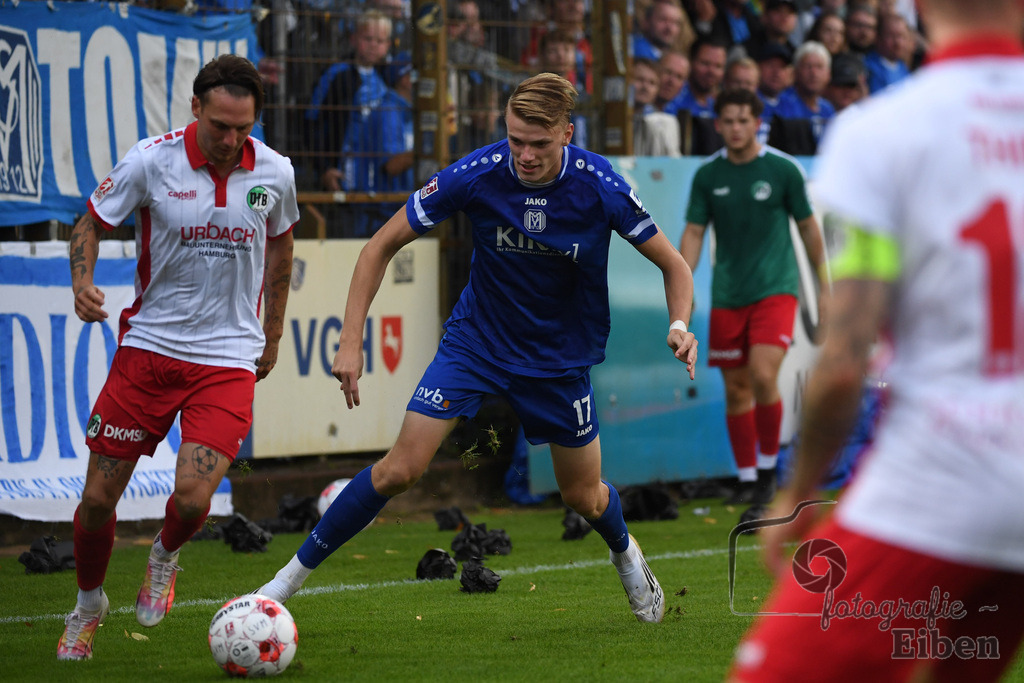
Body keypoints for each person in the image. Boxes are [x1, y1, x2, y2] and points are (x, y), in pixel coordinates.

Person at [255, 72, 699, 625]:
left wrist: (679, 323)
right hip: (477, 344)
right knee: (400, 470)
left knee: (583, 497)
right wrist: (351, 340)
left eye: (539, 143)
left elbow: (674, 265)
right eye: (515, 140)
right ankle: (278, 588)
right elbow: (379, 246)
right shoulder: (479, 172)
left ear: (567, 132)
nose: (525, 155)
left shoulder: (599, 184)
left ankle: (628, 555)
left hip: (559, 359)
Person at [730, 1, 1024, 680]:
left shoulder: (882, 131)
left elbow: (843, 361)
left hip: (945, 477)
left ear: (919, 8)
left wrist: (796, 493)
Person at [57, 54, 299, 661]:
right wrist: (82, 282)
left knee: (193, 499)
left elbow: (282, 252)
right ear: (195, 108)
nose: (230, 139)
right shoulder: (150, 160)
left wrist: (271, 337)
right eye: (220, 125)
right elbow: (89, 222)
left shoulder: (275, 171)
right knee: (94, 503)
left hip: (227, 359)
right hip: (149, 352)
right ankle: (88, 605)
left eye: (243, 128)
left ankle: (164, 557)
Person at [680, 87, 824, 510]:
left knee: (763, 375)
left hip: (776, 292)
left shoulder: (783, 169)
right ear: (718, 123)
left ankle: (766, 474)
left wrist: (826, 288)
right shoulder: (708, 176)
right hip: (727, 295)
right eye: (729, 120)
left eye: (745, 119)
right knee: (737, 387)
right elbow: (693, 233)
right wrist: (681, 290)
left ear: (758, 122)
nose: (737, 128)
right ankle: (746, 479)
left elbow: (809, 229)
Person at [769, 41, 836, 154]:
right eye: (808, 66)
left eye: (819, 67)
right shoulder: (782, 104)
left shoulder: (828, 108)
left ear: (828, 74)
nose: (813, 73)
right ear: (795, 71)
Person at [633, 57, 682, 156]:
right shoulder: (614, 118)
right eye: (640, 79)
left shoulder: (663, 123)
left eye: (652, 83)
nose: (645, 87)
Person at [863, 10, 911, 93]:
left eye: (901, 36)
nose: (898, 43)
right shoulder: (867, 67)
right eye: (891, 36)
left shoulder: (903, 67)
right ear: (878, 38)